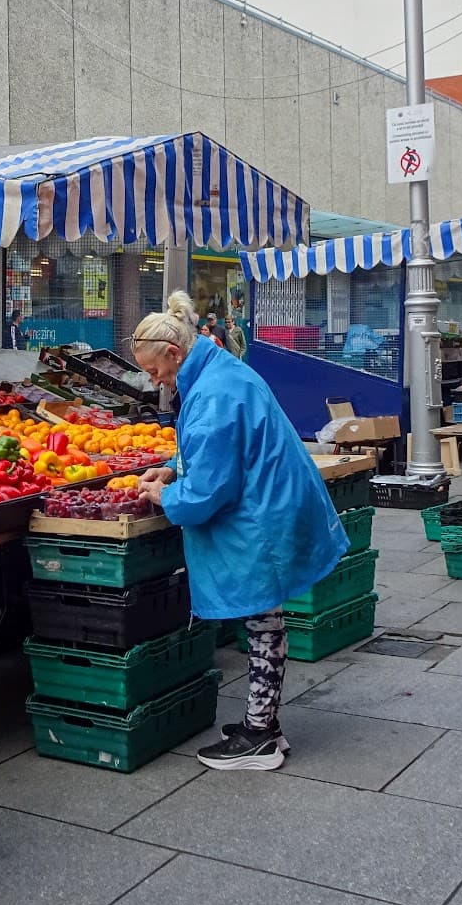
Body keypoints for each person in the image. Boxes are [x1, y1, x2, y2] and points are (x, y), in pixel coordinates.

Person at [132, 291, 346, 771]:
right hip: (269, 502)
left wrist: (163, 496)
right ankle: (262, 724)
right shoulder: (217, 372)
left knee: (261, 620)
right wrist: (170, 469)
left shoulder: (211, 393)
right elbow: (206, 451)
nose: (154, 381)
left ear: (174, 353)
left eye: (153, 370)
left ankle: (259, 737)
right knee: (264, 619)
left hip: (260, 515)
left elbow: (208, 490)